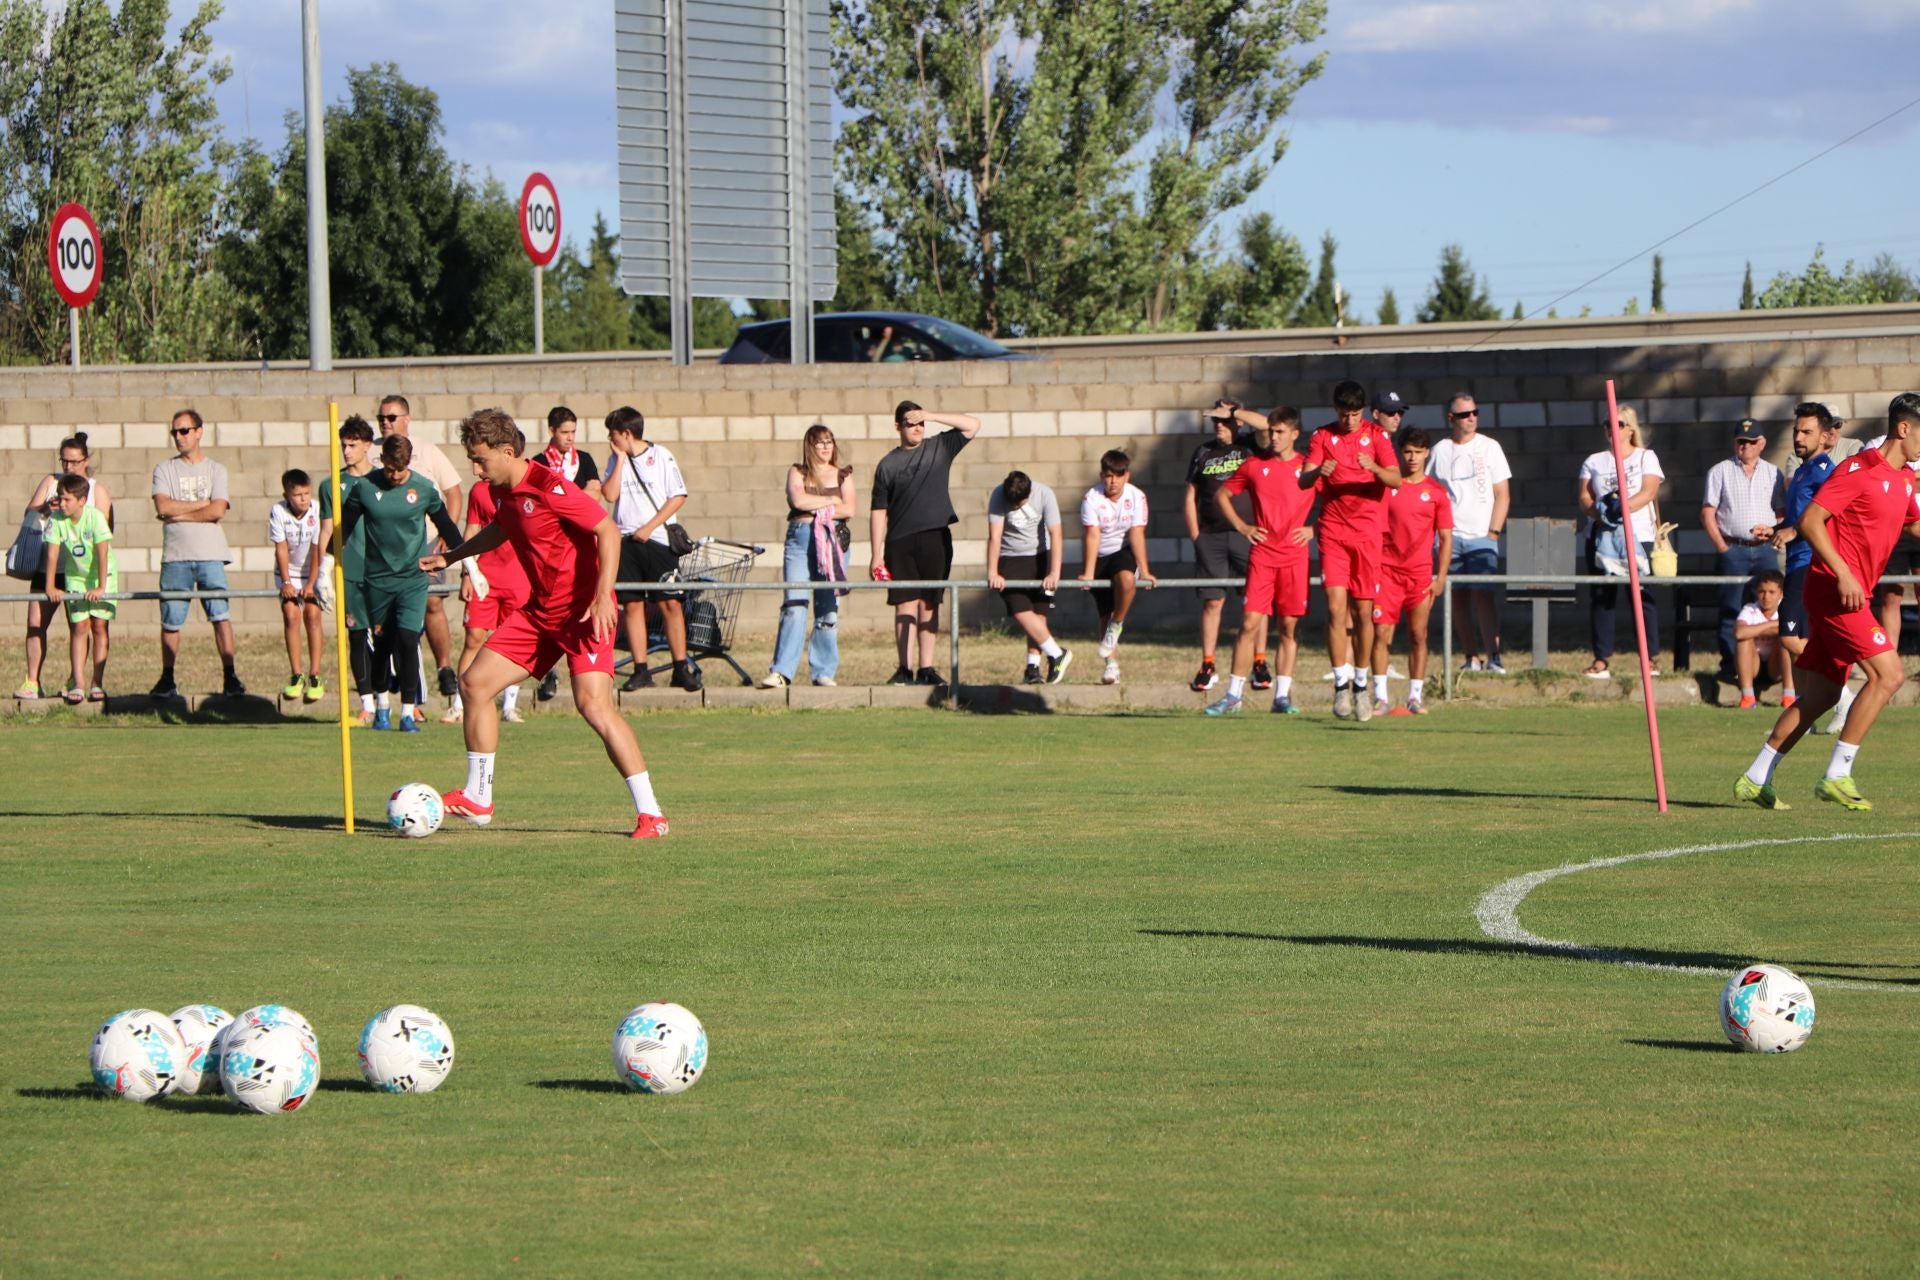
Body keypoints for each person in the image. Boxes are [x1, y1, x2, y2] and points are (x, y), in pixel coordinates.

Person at [431, 407, 671, 839]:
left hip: (582, 612)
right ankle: (478, 798)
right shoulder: (499, 491)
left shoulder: (548, 484)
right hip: (539, 613)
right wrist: (453, 556)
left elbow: (607, 531)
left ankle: (652, 814)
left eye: (481, 459)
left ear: (507, 451)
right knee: (473, 684)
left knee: (594, 707)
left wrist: (602, 596)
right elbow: (503, 528)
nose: (475, 468)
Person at [1736, 393, 1920, 812]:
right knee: (1889, 675)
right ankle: (1837, 773)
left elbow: (1912, 523)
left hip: (1852, 591)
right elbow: (1811, 520)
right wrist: (1844, 572)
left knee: (1820, 695)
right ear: (1904, 428)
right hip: (1833, 590)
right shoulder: (1859, 469)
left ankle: (1755, 777)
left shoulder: (1905, 478)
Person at [339, 435, 464, 733]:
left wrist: (469, 563)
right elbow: (343, 529)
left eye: (400, 470)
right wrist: (329, 568)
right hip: (377, 580)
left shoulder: (422, 488)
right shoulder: (365, 487)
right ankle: (382, 707)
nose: (394, 476)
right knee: (382, 645)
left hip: (411, 578)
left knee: (408, 641)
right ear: (383, 461)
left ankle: (408, 711)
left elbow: (446, 525)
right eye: (390, 469)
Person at [1203, 407, 1317, 715]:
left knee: (1289, 627)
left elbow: (1338, 502)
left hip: (1294, 557)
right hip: (1263, 555)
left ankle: (1282, 697)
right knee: (1249, 624)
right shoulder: (1254, 465)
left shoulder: (1308, 467)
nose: (1274, 437)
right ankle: (1233, 695)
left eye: (1280, 432)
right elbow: (1222, 496)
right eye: (1272, 431)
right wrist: (1242, 527)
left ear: (1294, 434)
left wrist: (1313, 528)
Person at [1302, 380, 1401, 720]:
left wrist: (1373, 468)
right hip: (1333, 533)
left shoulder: (1377, 436)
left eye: (1355, 415)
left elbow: (1396, 479)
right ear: (1335, 411)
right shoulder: (1321, 437)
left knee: (1363, 611)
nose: (1350, 421)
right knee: (1334, 608)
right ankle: (1341, 686)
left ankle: (1362, 686)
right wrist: (1318, 470)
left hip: (1368, 535)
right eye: (1344, 415)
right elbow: (1303, 480)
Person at [869, 400, 983, 686]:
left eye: (921, 423)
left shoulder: (939, 447)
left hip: (935, 536)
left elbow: (973, 424)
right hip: (900, 541)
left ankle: (926, 668)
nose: (917, 428)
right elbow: (878, 511)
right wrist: (875, 555)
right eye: (911, 423)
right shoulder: (887, 465)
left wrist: (931, 415)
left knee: (929, 604)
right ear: (898, 427)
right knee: (904, 604)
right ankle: (904, 669)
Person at [602, 406, 701, 693]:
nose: (611, 439)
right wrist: (619, 460)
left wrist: (649, 526)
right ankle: (640, 668)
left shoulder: (662, 456)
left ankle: (680, 666)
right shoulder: (615, 458)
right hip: (626, 541)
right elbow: (610, 495)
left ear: (626, 433)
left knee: (670, 603)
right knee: (632, 605)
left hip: (657, 541)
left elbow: (677, 496)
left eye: (614, 434)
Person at [377, 395, 465, 702]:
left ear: (407, 419)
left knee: (432, 604)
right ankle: (397, 686)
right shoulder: (373, 452)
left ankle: (444, 668)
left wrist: (446, 531)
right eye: (382, 418)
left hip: (424, 542)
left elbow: (453, 491)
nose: (385, 423)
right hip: (385, 549)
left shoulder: (426, 451)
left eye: (391, 417)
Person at [444, 424, 533, 724]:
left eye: (481, 460)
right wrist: (467, 573)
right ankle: (459, 704)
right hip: (486, 577)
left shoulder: (530, 490)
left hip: (518, 579)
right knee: (474, 638)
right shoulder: (481, 491)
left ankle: (509, 704)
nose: (476, 468)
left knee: (513, 640)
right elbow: (473, 530)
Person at [151, 409, 241, 699]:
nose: (179, 437)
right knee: (171, 620)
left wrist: (183, 513)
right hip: (176, 557)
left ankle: (230, 676)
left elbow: (218, 509)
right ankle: (167, 678)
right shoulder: (164, 469)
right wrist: (200, 506)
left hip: (210, 555)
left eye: (185, 431)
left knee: (220, 615)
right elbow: (163, 507)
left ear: (199, 432)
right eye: (175, 432)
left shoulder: (216, 470)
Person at [16, 432, 111, 700]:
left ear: (86, 459)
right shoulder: (51, 482)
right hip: (48, 565)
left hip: (79, 572)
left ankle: (76, 680)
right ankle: (32, 680)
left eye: (74, 461)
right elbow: (30, 513)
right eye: (64, 461)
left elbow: (104, 530)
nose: (68, 467)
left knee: (80, 626)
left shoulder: (96, 490)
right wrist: (47, 507)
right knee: (36, 623)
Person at [762, 423, 855, 688]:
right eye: (820, 443)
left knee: (828, 609)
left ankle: (823, 671)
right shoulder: (798, 472)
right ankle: (782, 671)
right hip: (800, 541)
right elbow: (798, 501)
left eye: (829, 442)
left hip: (834, 542)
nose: (826, 448)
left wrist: (826, 505)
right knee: (795, 603)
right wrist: (831, 502)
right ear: (810, 446)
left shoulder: (843, 475)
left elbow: (850, 508)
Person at [1370, 426, 1452, 716]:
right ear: (1400, 452)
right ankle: (1380, 696)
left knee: (1418, 634)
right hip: (1386, 573)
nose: (1412, 457)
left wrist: (1440, 578)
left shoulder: (1437, 493)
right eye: (1407, 451)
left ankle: (1415, 697)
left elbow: (1445, 538)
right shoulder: (1388, 487)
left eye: (1418, 452)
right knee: (1381, 634)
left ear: (1427, 453)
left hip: (1419, 576)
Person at [1426, 391, 1511, 673]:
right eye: (1464, 414)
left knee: (1483, 595)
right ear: (1451, 418)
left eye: (1475, 412)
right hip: (1449, 537)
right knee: (1457, 597)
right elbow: (1430, 492)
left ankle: (1494, 656)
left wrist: (1493, 534)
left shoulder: (1490, 447)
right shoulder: (1440, 450)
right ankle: (1470, 657)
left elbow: (1503, 494)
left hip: (1481, 535)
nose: (1471, 418)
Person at [1184, 401, 1266, 692]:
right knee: (1212, 600)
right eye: (1214, 420)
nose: (1218, 425)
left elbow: (1267, 425)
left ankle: (1259, 662)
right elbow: (1191, 493)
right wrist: (1196, 534)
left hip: (1248, 535)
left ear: (1237, 421)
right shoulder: (1203, 452)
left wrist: (1235, 414)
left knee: (1256, 601)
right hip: (1212, 537)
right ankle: (1208, 664)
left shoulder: (1251, 446)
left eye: (1223, 420)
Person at [1577, 406, 1664, 677]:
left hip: (1638, 535)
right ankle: (1602, 658)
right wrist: (1601, 514)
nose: (1611, 428)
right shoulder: (1595, 460)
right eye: (1607, 424)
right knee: (1603, 597)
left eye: (1618, 423)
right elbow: (1584, 496)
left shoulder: (1645, 457)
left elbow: (1649, 491)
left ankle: (1649, 658)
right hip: (1602, 536)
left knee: (1641, 596)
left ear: (1630, 429)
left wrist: (1621, 510)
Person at [1770, 403, 1841, 729]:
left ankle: (1841, 698)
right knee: (1794, 638)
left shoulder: (1824, 470)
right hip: (1798, 561)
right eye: (1796, 430)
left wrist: (1794, 530)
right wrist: (1773, 532)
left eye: (1806, 432)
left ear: (1826, 437)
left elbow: (1823, 515)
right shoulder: (1801, 471)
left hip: (1811, 563)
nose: (1798, 437)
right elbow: (1799, 519)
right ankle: (1804, 718)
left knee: (1790, 638)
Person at [1702, 418, 1785, 676]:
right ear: (1734, 443)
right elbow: (1708, 512)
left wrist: (1774, 538)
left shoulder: (1773, 472)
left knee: (1771, 608)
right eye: (1741, 442)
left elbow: (1781, 513)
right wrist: (1721, 546)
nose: (1746, 447)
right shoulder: (1719, 471)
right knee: (1731, 610)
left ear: (1762, 444)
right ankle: (1731, 667)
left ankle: (1768, 668)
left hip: (1764, 550)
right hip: (1733, 549)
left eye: (1751, 442)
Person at [316, 415, 380, 726]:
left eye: (353, 445)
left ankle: (389, 703)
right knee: (356, 636)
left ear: (368, 446)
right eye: (343, 445)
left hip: (382, 572)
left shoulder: (383, 480)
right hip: (349, 571)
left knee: (385, 637)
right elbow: (327, 530)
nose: (347, 451)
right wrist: (321, 574)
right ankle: (366, 704)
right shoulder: (331, 485)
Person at [986, 470, 1071, 684]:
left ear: (1030, 492)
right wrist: (993, 571)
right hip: (1011, 558)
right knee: (1021, 611)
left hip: (1042, 557)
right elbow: (994, 536)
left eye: (1019, 503)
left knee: (1038, 615)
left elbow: (1056, 534)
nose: (1014, 507)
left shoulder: (1045, 494)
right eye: (1011, 504)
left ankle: (1032, 669)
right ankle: (1057, 653)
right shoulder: (998, 495)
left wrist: (1054, 572)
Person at [1079, 449, 1155, 685]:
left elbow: (1137, 534)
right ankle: (1111, 665)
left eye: (1118, 476)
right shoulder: (1091, 497)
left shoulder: (1137, 497)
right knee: (1104, 612)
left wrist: (1144, 569)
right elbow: (1092, 535)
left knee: (1126, 580)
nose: (1113, 482)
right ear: (1102, 476)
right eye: (1109, 476)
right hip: (1100, 554)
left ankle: (1118, 624)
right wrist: (1089, 573)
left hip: (1123, 552)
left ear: (1127, 476)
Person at [41, 472, 115, 703]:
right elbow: (52, 555)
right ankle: (79, 683)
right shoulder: (56, 520)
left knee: (99, 626)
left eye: (67, 500)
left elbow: (103, 553)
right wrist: (51, 586)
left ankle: (97, 683)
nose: (61, 504)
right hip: (76, 577)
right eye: (60, 499)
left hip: (102, 576)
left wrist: (101, 587)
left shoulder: (95, 518)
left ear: (81, 501)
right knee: (79, 627)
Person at [269, 469, 325, 702]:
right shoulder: (278, 511)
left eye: (306, 493)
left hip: (312, 569)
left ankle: (315, 675)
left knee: (312, 616)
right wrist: (287, 582)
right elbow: (281, 548)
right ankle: (296, 674)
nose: (303, 499)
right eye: (297, 495)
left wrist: (311, 583)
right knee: (291, 616)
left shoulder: (317, 510)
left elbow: (316, 550)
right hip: (288, 572)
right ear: (286, 495)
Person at [1734, 569, 1795, 710]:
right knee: (1743, 641)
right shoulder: (1750, 609)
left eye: (1771, 592)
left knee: (1786, 640)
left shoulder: (1786, 609)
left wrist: (1754, 629)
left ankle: (1789, 697)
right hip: (1753, 665)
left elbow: (1790, 630)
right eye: (1762, 591)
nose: (1766, 597)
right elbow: (1739, 633)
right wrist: (1772, 625)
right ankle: (1748, 698)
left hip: (1776, 667)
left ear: (1781, 593)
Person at [541, 406, 602, 499]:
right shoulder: (539, 462)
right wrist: (583, 494)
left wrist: (559, 498)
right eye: (564, 432)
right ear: (552, 431)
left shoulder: (584, 458)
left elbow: (596, 496)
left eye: (573, 432)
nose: (570, 438)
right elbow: (541, 500)